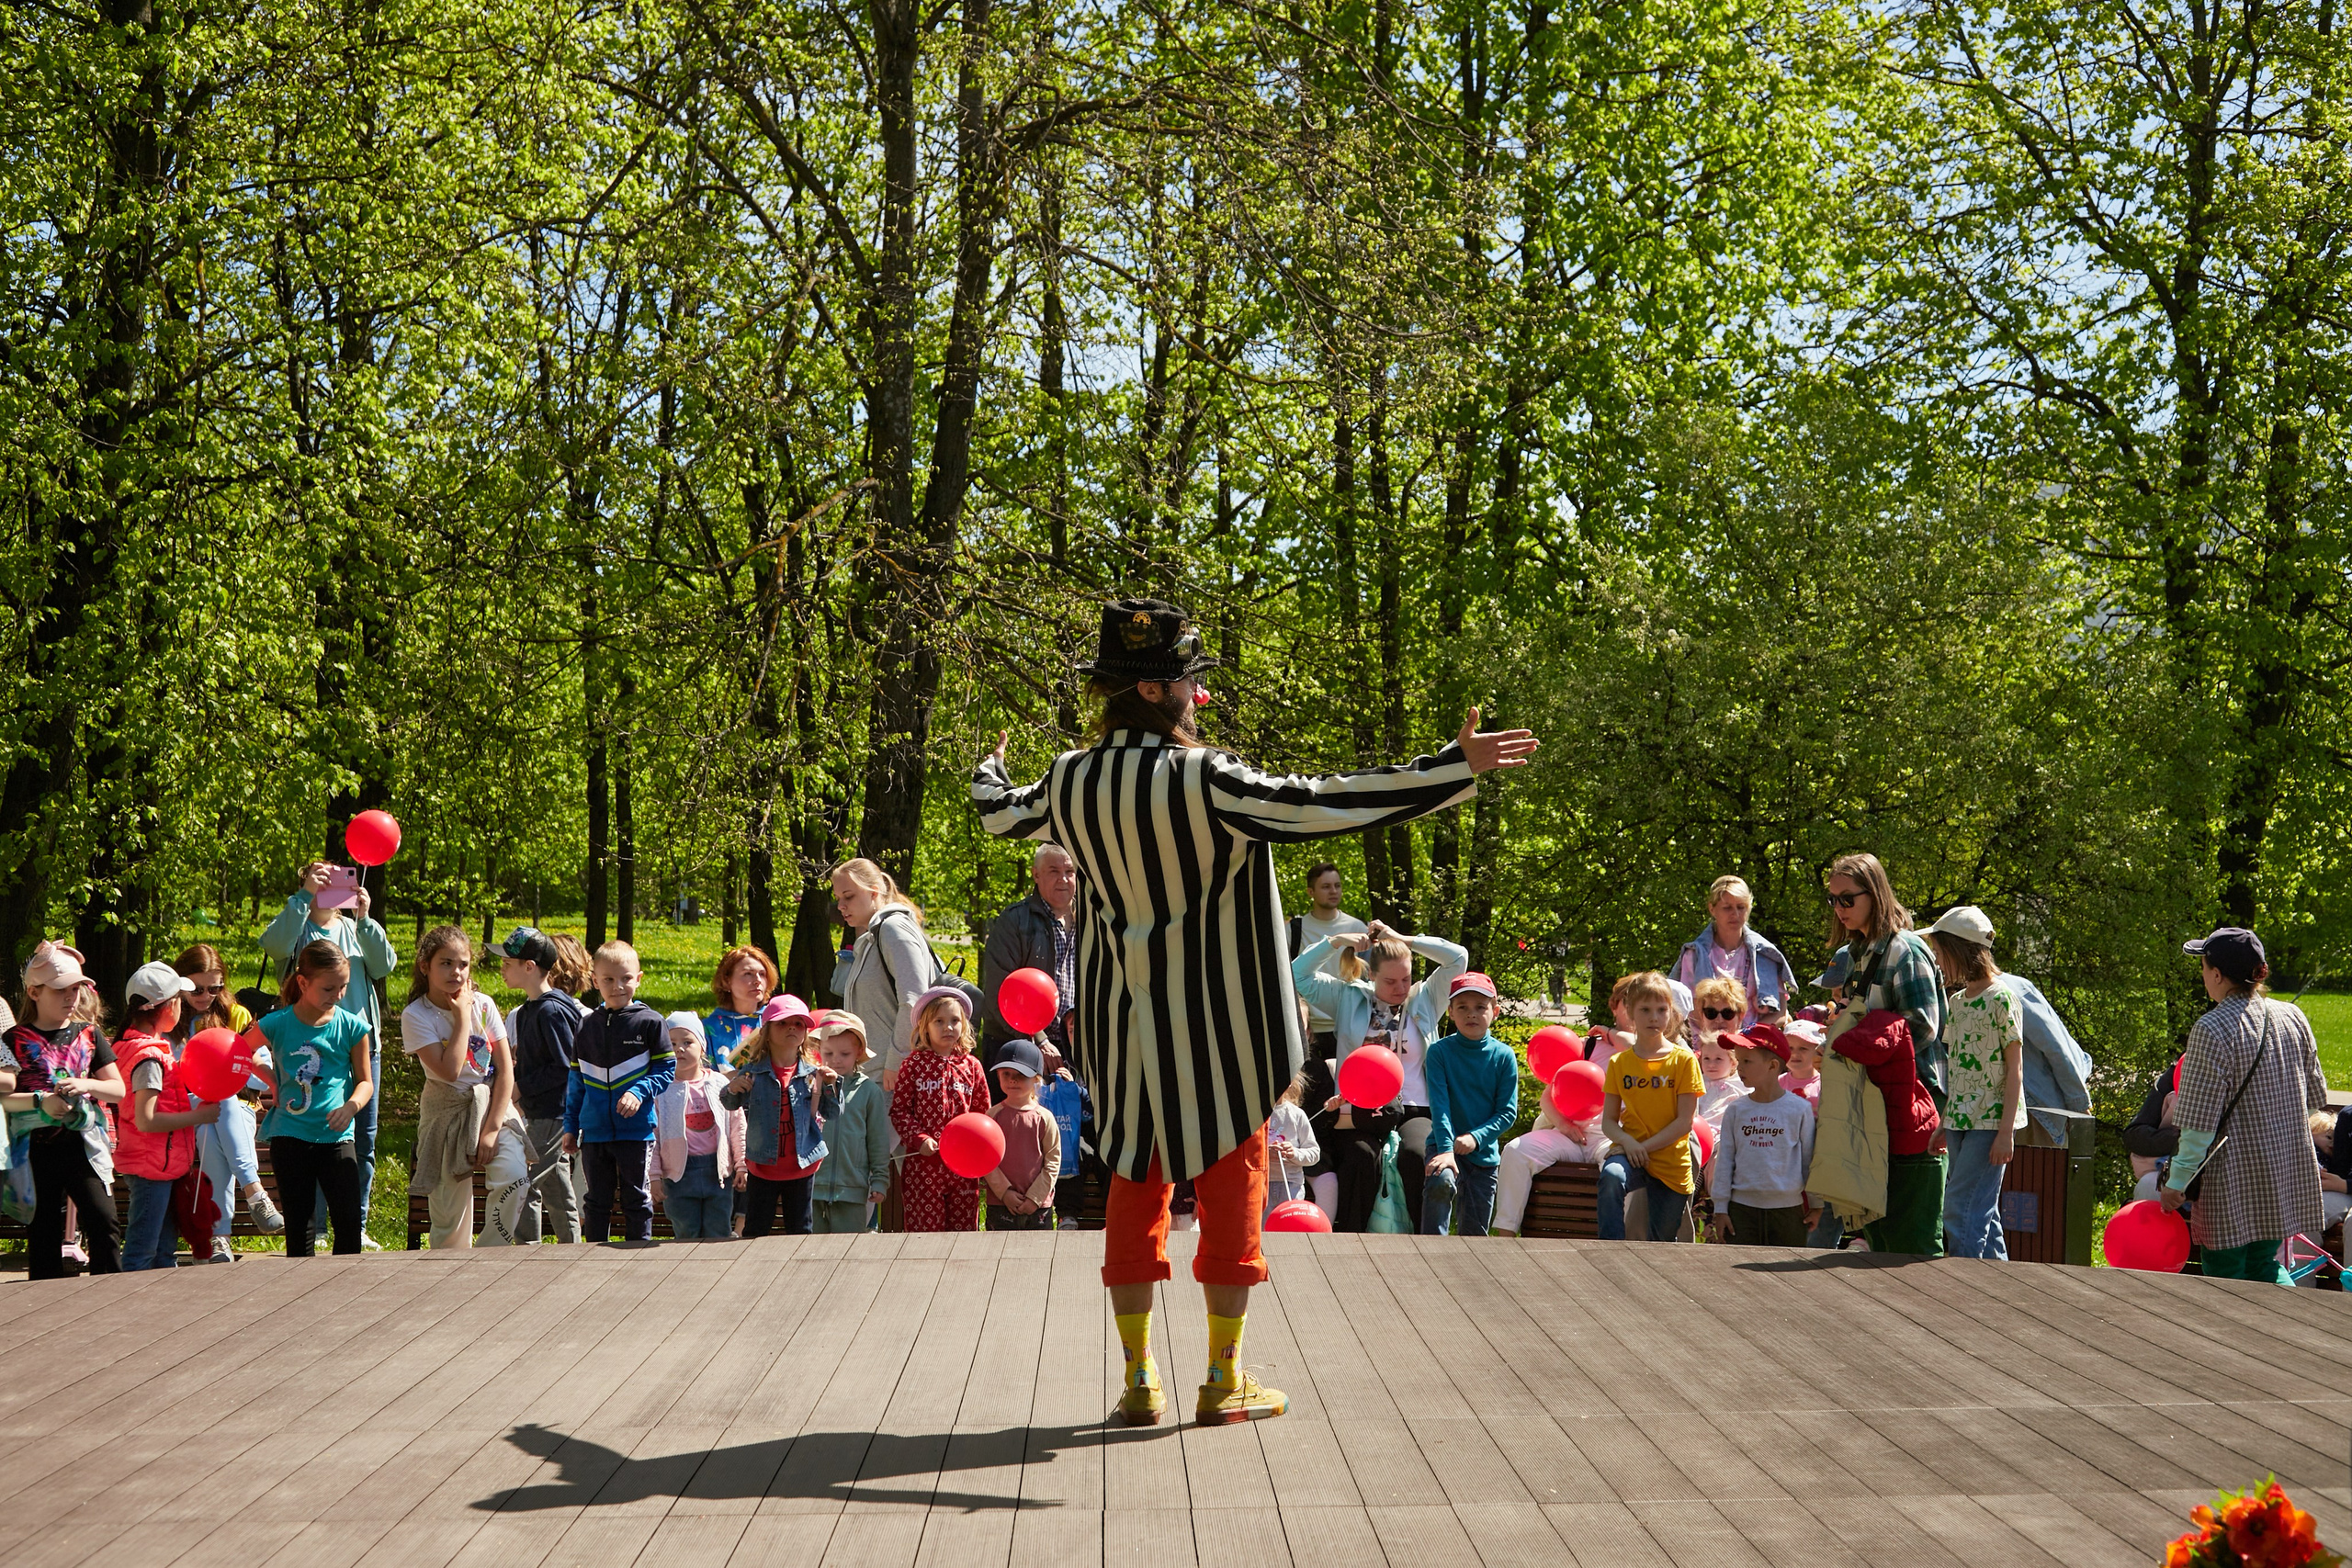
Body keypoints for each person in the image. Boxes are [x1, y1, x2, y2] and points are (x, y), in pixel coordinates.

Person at [975, 596, 1538, 1427]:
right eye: (1191, 685)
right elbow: (1326, 801)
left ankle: (1138, 1379)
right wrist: (1451, 766)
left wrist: (989, 766)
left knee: (1134, 1184)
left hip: (1120, 1029)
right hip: (1221, 1030)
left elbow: (997, 811)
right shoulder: (1209, 778)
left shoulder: (1068, 777)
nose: (1199, 699)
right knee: (1233, 1181)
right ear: (1167, 691)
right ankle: (1221, 1377)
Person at [2159, 927, 2328, 1283]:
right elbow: (2314, 1098)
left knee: (2224, 1278)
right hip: (2281, 1172)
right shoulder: (2293, 1017)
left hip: (2230, 1179)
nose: (2204, 976)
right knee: (2265, 1267)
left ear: (2217, 974)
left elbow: (2199, 1123)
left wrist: (2177, 1181)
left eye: (2204, 968)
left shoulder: (2211, 1028)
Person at [1291, 922, 1468, 1234]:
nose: (1400, 988)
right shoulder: (1348, 998)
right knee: (1360, 1156)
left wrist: (1405, 939)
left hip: (1414, 1107)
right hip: (1356, 1109)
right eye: (1390, 981)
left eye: (1406, 978)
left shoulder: (1426, 998)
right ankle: (1352, 1241)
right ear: (1371, 975)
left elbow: (1458, 958)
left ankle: (1420, 1242)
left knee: (1416, 1157)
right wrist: (1334, 941)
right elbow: (1298, 973)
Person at [261, 860, 399, 1248]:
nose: (329, 882)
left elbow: (384, 964)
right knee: (311, 1140)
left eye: (336, 876)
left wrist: (365, 917)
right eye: (319, 876)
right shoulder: (298, 923)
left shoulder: (355, 928)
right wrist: (303, 896)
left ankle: (356, 1221)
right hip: (308, 1045)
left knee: (360, 1139)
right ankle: (315, 1226)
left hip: (356, 1039)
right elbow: (273, 944)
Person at [402, 926, 528, 1247]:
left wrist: (491, 1129)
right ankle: (449, 1271)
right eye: (446, 963)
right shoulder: (416, 1015)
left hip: (491, 1105)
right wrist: (461, 1018)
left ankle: (491, 1253)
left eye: (463, 964)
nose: (456, 972)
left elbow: (505, 1072)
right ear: (424, 966)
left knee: (514, 1175)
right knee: (449, 1213)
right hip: (446, 1111)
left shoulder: (484, 1005)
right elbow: (448, 1070)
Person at [4, 942, 123, 1277]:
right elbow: (4, 1100)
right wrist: (42, 1102)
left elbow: (119, 1090)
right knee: (42, 1236)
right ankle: (45, 1313)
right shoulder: (13, 1040)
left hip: (82, 1146)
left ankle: (112, 1297)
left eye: (75, 989)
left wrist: (85, 1085)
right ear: (33, 992)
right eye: (60, 990)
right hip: (33, 1151)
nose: (71, 998)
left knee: (104, 1223)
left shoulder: (89, 1034)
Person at [252, 940, 376, 1256]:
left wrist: (351, 1107)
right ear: (303, 983)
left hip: (336, 1137)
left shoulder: (352, 1027)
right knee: (299, 1225)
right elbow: (241, 1050)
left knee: (348, 1222)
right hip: (290, 1136)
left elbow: (365, 1083)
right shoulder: (277, 1023)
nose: (337, 996)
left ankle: (345, 1290)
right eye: (328, 988)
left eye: (343, 987)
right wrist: (271, 1081)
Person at [1921, 908, 2026, 1260]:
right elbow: (1960, 1070)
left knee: (1960, 1208)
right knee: (1983, 1212)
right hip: (1960, 1121)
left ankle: (1963, 1286)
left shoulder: (2001, 998)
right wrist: (1944, 1121)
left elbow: (2015, 1071)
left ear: (1960, 949)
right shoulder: (1957, 1001)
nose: (1937, 961)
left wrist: (2005, 1132)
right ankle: (2000, 1283)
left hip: (1990, 1123)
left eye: (1939, 952)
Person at [173, 942, 284, 1258]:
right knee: (214, 1110)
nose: (205, 995)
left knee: (218, 1115)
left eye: (214, 987)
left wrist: (273, 1082)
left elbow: (256, 1060)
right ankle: (255, 1191)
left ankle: (218, 1236)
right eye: (196, 987)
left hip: (236, 1108)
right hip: (187, 1108)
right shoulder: (171, 1017)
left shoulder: (236, 1014)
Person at [114, 962, 220, 1270]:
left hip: (159, 1165)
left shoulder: (135, 1047)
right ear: (165, 1006)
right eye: (178, 1000)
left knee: (163, 1251)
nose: (182, 1005)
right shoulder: (148, 1058)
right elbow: (147, 1119)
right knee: (143, 1251)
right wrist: (198, 1116)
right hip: (152, 1167)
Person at [564, 941, 673, 1243]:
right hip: (594, 1132)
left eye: (626, 978)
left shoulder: (651, 1023)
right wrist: (571, 1126)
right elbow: (577, 1082)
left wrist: (639, 1092)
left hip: (635, 1131)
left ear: (638, 978)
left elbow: (666, 1070)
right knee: (596, 1201)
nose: (618, 986)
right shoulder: (585, 1027)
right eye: (608, 979)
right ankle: (593, 1262)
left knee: (636, 1199)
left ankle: (638, 1258)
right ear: (594, 980)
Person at [1822, 853, 1947, 1107]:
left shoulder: (1906, 950)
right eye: (1833, 899)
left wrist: (1860, 1048)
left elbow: (1923, 1027)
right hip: (1876, 1094)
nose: (1838, 908)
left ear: (1875, 894)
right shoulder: (1856, 952)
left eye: (1847, 899)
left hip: (1917, 1094)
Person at [1827, 1009, 1943, 1256]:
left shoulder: (1847, 1045)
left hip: (1875, 1145)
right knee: (1920, 1240)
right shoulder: (1899, 1031)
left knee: (1878, 1237)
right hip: (1915, 1140)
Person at [1597, 971, 1702, 1243]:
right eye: (1645, 1010)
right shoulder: (1620, 1063)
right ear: (1630, 1012)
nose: (1653, 1018)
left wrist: (1644, 1147)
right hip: (1631, 1154)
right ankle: (1610, 1248)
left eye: (1661, 1010)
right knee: (1611, 1176)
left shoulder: (1684, 1061)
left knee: (1662, 1241)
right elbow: (1608, 1121)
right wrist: (1629, 1144)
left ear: (1671, 1013)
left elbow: (1684, 1122)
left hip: (1670, 1162)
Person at [721, 994, 836, 1237]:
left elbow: (832, 1112)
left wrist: (831, 1086)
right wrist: (732, 1088)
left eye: (798, 1023)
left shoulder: (813, 1073)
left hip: (802, 1165)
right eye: (782, 1023)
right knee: (756, 1229)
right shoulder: (753, 1072)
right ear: (766, 1031)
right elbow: (729, 1103)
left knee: (800, 1230)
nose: (791, 1028)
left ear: (805, 1033)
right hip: (763, 1165)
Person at [501, 926, 584, 1244]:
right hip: (540, 1113)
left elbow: (565, 1067)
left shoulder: (551, 1010)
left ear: (529, 967)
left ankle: (527, 1253)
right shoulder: (527, 1011)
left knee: (523, 1180)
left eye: (508, 963)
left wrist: (521, 1088)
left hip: (554, 1113)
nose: (502, 970)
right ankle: (571, 1246)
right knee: (556, 1185)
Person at [831, 859, 944, 1090]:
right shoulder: (875, 934)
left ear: (874, 892)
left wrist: (896, 1061)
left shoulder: (893, 929)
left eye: (848, 896)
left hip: (894, 1078)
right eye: (838, 899)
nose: (841, 905)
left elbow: (914, 1001)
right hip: (876, 1075)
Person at [1419, 973, 1518, 1236]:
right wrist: (1447, 1150)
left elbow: (1507, 1113)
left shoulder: (1504, 1056)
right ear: (1450, 1012)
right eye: (1462, 1007)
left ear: (1495, 1012)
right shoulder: (1439, 1052)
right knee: (1441, 1181)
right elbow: (1439, 1108)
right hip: (1443, 1145)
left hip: (1483, 1155)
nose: (1471, 1014)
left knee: (1475, 1236)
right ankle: (1430, 1251)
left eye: (1480, 1007)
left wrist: (1476, 1138)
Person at [889, 988, 991, 1232]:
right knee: (925, 1236)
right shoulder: (913, 1065)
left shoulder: (972, 1066)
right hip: (923, 1170)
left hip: (963, 1170)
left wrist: (978, 1151)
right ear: (925, 1026)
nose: (948, 1027)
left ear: (964, 1025)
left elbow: (982, 1113)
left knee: (962, 1235)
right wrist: (919, 1139)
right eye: (939, 1021)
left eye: (955, 1021)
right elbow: (900, 1111)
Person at [1706, 1025, 1815, 1247]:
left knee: (1786, 1277)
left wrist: (1816, 1203)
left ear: (1773, 1066)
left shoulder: (1799, 1109)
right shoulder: (1736, 1110)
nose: (1739, 1069)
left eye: (1747, 1061)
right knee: (1741, 1276)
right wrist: (1720, 1208)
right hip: (1741, 1211)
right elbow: (1725, 1161)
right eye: (1739, 1061)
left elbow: (1809, 1159)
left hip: (1789, 1212)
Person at [978, 843, 1079, 1068]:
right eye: (1054, 871)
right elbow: (1000, 992)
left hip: (1074, 1047)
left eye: (1069, 872)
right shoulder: (1013, 921)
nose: (1063, 879)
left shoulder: (1094, 923)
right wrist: (1039, 1040)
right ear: (1036, 874)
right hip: (1018, 1047)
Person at [651, 1012, 746, 1240]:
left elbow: (737, 1125)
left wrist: (742, 1164)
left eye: (687, 1042)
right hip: (678, 1175)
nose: (679, 1049)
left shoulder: (720, 1083)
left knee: (719, 1232)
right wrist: (654, 1175)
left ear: (702, 1048)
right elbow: (652, 1136)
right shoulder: (660, 1090)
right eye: (671, 1044)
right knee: (686, 1234)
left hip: (718, 1172)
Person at [1670, 875, 1798, 1028]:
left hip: (1754, 1044)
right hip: (1706, 1045)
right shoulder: (1694, 955)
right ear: (1712, 908)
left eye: (1741, 907)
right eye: (1727, 908)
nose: (1735, 914)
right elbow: (1687, 1010)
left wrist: (1746, 1038)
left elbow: (1780, 1013)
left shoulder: (1765, 954)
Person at [810, 1011, 892, 1234]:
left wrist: (880, 1180)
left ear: (858, 1053)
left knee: (846, 1254)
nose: (835, 1060)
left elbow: (878, 1141)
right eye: (828, 1053)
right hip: (811, 1188)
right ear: (818, 1052)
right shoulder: (810, 1086)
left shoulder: (868, 1091)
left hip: (852, 1190)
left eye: (844, 1054)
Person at [1490, 1096, 1608, 1238]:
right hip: (1566, 1135)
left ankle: (1627, 1243)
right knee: (1515, 1151)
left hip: (1608, 1138)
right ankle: (1505, 1238)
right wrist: (1563, 1125)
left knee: (1619, 1167)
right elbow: (1547, 1098)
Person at [1287, 863, 1367, 1060]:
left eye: (1337, 885)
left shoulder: (1356, 927)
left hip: (1348, 1027)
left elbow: (1368, 979)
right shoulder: (1294, 930)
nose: (1334, 891)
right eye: (1326, 886)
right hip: (1305, 1030)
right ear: (1310, 892)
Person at [984, 1037, 1061, 1230]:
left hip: (1038, 1208)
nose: (1012, 1080)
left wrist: (1035, 1197)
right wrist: (1004, 1192)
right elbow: (986, 1159)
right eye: (1006, 1074)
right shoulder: (992, 1117)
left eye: (1021, 1074)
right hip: (1000, 1205)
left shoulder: (1045, 1118)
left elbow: (1053, 1161)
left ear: (1036, 1078)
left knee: (1037, 1257)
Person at [1037, 1043, 1096, 1225]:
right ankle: (1067, 1215)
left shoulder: (1094, 1057)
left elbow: (1096, 1109)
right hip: (1055, 1134)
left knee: (1090, 1154)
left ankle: (1113, 1214)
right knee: (1066, 1151)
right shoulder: (1053, 1061)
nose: (1074, 1036)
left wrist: (1075, 1090)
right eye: (1069, 1030)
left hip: (1089, 1133)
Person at [705, 945, 776, 1075]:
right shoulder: (708, 1028)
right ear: (727, 981)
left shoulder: (776, 1021)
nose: (758, 981)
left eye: (762, 974)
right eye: (748, 974)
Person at [1264, 1072, 1320, 1211]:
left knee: (1288, 1229)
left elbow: (1314, 1153)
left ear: (1289, 1084)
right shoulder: (1254, 1114)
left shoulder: (1297, 1114)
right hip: (1260, 1184)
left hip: (1291, 1184)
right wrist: (1263, 1152)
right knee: (1263, 1230)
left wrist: (1294, 1153)